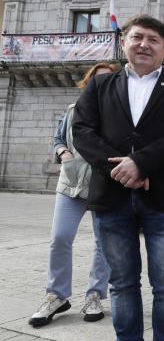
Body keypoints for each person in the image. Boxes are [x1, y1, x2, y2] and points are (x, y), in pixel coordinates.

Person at [72, 14, 164, 341]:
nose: (144, 44)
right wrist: (118, 169)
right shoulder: (100, 85)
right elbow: (82, 131)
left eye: (153, 40)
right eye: (138, 37)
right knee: (122, 283)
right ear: (124, 42)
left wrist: (140, 164)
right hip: (110, 197)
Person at [28, 62, 117, 328]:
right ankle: (57, 295)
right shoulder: (73, 110)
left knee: (103, 244)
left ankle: (94, 295)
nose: (101, 84)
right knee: (59, 238)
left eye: (108, 80)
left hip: (104, 186)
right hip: (71, 184)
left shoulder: (120, 116)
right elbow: (58, 139)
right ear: (89, 83)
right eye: (97, 80)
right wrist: (63, 154)